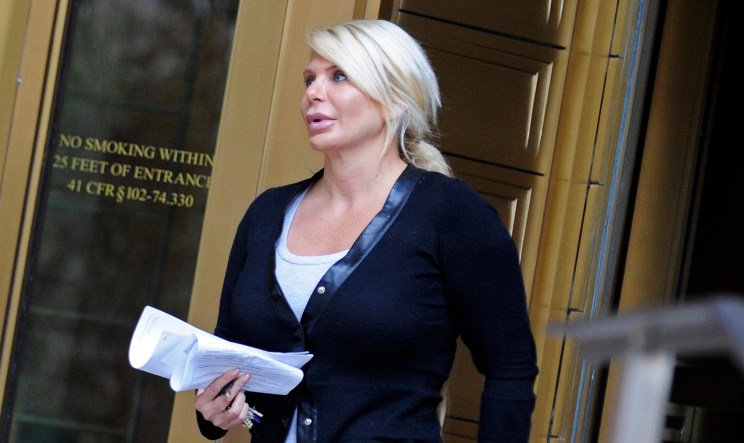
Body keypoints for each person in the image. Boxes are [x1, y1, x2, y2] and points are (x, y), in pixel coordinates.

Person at [194, 19, 538, 442]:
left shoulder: (451, 214)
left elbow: (510, 369)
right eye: (309, 79)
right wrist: (215, 411)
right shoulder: (268, 213)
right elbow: (225, 360)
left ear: (395, 100)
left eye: (339, 76)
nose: (313, 93)